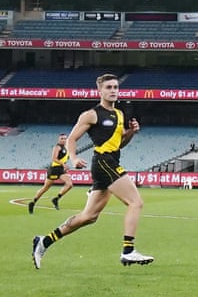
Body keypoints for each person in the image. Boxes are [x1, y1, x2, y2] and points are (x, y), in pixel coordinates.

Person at [31, 74, 153, 269]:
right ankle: (128, 250)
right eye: (108, 87)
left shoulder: (120, 114)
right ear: (100, 91)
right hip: (104, 162)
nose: (113, 90)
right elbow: (71, 139)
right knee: (135, 202)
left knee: (89, 216)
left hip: (111, 160)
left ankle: (43, 242)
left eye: (115, 87)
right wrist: (73, 158)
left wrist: (131, 132)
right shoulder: (91, 115)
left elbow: (119, 144)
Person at [27, 133, 76, 214]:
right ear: (59, 139)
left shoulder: (65, 148)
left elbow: (64, 158)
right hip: (54, 169)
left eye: (65, 139)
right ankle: (32, 202)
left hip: (61, 169)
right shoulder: (57, 147)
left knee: (69, 184)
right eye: (62, 139)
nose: (63, 140)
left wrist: (65, 165)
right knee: (46, 188)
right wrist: (63, 164)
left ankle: (56, 199)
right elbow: (54, 158)